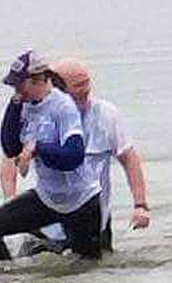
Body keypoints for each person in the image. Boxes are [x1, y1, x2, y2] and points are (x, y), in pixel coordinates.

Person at [0, 49, 103, 263]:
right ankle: (9, 277)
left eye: (19, 84)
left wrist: (38, 148)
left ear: (38, 80)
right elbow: (11, 148)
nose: (16, 90)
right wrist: (14, 106)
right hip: (47, 198)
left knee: (85, 269)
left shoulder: (63, 107)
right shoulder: (23, 106)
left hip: (81, 202)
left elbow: (73, 156)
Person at [50, 58, 150, 251]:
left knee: (95, 275)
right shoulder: (44, 116)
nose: (86, 89)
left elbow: (129, 158)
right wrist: (10, 198)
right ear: (59, 89)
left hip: (96, 220)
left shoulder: (106, 114)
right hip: (51, 224)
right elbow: (10, 157)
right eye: (78, 85)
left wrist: (140, 205)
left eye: (87, 82)